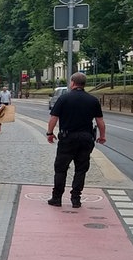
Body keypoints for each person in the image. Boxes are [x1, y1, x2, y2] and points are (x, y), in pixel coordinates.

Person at [46, 72, 107, 208]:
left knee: (61, 168)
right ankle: (76, 198)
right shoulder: (93, 100)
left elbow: (53, 119)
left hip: (67, 138)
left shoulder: (64, 99)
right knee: (81, 169)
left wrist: (50, 133)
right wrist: (102, 136)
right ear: (84, 84)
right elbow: (100, 121)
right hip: (86, 139)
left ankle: (57, 198)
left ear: (72, 83)